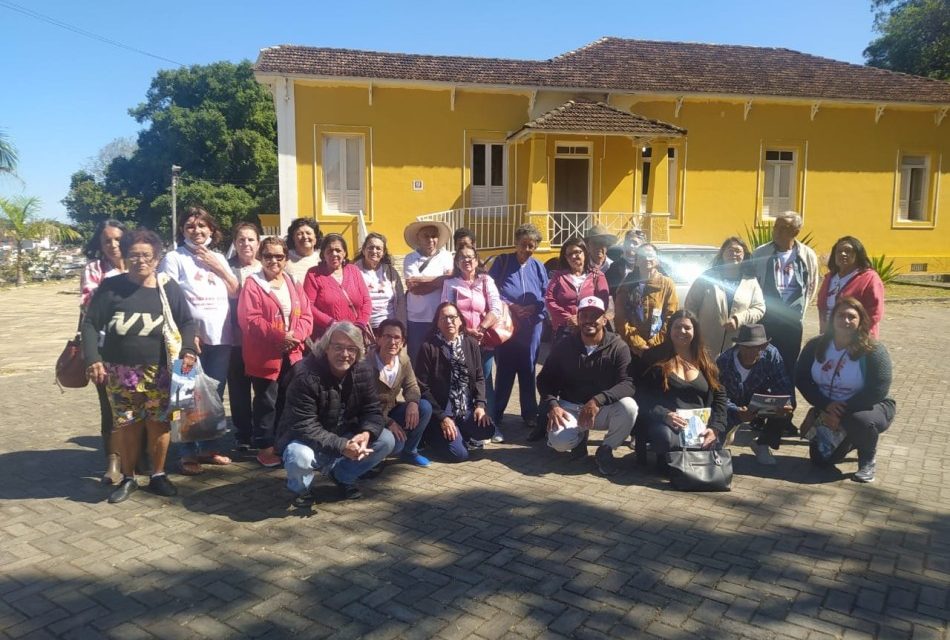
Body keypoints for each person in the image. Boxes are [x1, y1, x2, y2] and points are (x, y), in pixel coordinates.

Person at [82, 228, 197, 503]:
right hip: (120, 371)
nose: (140, 260)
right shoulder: (111, 287)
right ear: (125, 256)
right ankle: (130, 477)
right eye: (134, 255)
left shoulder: (167, 287)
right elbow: (89, 323)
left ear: (157, 258)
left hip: (160, 369)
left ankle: (158, 475)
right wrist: (93, 358)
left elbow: (187, 322)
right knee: (128, 424)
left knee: (159, 424)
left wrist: (189, 349)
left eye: (147, 255)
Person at [277, 322, 396, 506]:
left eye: (351, 349)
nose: (345, 354)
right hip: (304, 438)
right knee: (298, 456)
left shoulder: (363, 370)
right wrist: (342, 446)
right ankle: (302, 490)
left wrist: (366, 433)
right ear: (326, 348)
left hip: (343, 432)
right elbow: (305, 425)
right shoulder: (305, 374)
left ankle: (342, 476)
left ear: (358, 352)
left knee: (387, 440)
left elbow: (372, 410)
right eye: (338, 347)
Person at [159, 206, 237, 475]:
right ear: (182, 231)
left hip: (222, 338)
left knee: (213, 395)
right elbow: (167, 299)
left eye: (202, 226)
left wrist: (219, 267)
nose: (197, 231)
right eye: (190, 226)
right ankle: (186, 453)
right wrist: (187, 338)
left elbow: (235, 291)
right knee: (185, 396)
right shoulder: (173, 258)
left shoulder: (219, 257)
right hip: (188, 342)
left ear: (211, 230)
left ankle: (208, 447)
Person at [795, 297, 896, 483]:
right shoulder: (815, 345)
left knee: (860, 421)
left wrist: (841, 411)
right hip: (829, 406)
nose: (846, 321)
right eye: (841, 316)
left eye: (852, 317)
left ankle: (867, 460)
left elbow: (878, 389)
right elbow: (801, 378)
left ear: (860, 322)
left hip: (868, 407)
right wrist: (824, 406)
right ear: (833, 319)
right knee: (820, 460)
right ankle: (850, 439)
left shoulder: (873, 350)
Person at [536, 296, 638, 476]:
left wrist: (598, 400)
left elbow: (628, 383)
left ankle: (606, 450)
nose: (589, 320)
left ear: (604, 319)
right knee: (560, 443)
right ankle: (579, 440)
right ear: (578, 318)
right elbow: (544, 379)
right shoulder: (565, 345)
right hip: (570, 406)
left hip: (601, 409)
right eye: (584, 315)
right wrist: (553, 405)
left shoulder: (618, 346)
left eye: (595, 315)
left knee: (629, 407)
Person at [237, 236, 313, 468]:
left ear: (286, 258)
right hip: (266, 355)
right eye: (268, 255)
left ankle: (283, 442)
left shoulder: (292, 281)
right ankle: (265, 448)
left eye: (279, 256)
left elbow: (306, 315)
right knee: (266, 403)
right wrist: (281, 336)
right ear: (260, 257)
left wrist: (296, 336)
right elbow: (250, 320)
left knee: (287, 400)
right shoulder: (253, 284)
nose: (274, 260)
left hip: (293, 354)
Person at [637, 310, 727, 471]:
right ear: (669, 330)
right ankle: (668, 460)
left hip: (699, 425)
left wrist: (715, 428)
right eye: (677, 327)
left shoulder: (705, 359)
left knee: (712, 445)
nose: (682, 332)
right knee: (663, 438)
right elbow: (640, 395)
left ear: (695, 331)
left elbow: (720, 396)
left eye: (687, 328)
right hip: (668, 423)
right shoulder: (654, 356)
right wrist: (664, 415)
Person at [413, 302, 495, 461]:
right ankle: (430, 434)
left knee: (487, 429)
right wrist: (442, 417)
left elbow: (479, 377)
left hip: (465, 407)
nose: (449, 321)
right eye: (443, 318)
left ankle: (461, 430)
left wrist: (480, 406)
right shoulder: (429, 347)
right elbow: (422, 387)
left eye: (452, 317)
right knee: (459, 455)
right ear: (437, 323)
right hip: (441, 410)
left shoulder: (470, 343)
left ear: (460, 321)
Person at [80, 219, 127, 484]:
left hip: (138, 349)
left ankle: (137, 456)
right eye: (107, 240)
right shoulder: (94, 269)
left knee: (140, 404)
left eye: (118, 239)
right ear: (100, 244)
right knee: (110, 407)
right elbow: (91, 307)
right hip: (105, 348)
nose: (113, 245)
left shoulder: (138, 264)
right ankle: (113, 460)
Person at [489, 223, 548, 433]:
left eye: (532, 246)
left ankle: (530, 414)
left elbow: (545, 293)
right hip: (507, 324)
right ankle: (496, 412)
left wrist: (534, 307)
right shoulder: (502, 262)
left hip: (531, 327)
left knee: (529, 369)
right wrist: (512, 306)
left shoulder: (539, 266)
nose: (527, 249)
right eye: (523, 244)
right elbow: (492, 290)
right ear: (516, 243)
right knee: (504, 368)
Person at [751, 212, 819, 382]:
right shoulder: (760, 253)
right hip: (766, 318)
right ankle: (762, 404)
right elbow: (752, 282)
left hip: (792, 320)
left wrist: (800, 310)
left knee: (788, 363)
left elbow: (812, 284)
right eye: (776, 227)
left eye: (783, 228)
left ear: (795, 232)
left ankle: (787, 404)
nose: (777, 231)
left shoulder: (806, 255)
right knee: (762, 361)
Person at [441, 245, 501, 433]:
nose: (467, 260)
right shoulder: (451, 284)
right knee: (460, 381)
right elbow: (446, 311)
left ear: (476, 260)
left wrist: (482, 328)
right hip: (461, 341)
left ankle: (489, 425)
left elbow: (496, 308)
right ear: (457, 263)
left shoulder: (486, 280)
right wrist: (466, 332)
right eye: (462, 258)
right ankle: (464, 424)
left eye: (470, 257)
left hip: (484, 341)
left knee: (484, 382)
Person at [716, 324, 794, 465]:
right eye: (747, 347)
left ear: (764, 346)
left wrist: (784, 405)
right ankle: (728, 431)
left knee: (787, 408)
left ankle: (763, 443)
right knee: (714, 449)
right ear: (739, 345)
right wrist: (736, 411)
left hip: (758, 404)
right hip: (732, 406)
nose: (752, 352)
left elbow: (783, 386)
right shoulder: (724, 361)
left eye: (757, 347)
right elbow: (717, 398)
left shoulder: (772, 355)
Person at [684, 236, 766, 356]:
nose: (734, 254)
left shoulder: (750, 281)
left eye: (738, 251)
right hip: (706, 343)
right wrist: (694, 331)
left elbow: (759, 308)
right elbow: (690, 305)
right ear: (722, 254)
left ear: (744, 255)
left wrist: (739, 320)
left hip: (736, 345)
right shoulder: (707, 278)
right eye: (730, 250)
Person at [368, 319, 433, 467]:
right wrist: (388, 422)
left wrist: (412, 403)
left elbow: (412, 385)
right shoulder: (366, 364)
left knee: (424, 407)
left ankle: (410, 452)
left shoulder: (403, 360)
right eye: (387, 336)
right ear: (378, 339)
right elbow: (364, 405)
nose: (392, 341)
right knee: (395, 444)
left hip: (391, 410)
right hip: (369, 416)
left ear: (403, 341)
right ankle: (371, 457)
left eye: (397, 337)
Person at [227, 222, 261, 454]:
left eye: (250, 239)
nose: (246, 244)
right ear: (235, 243)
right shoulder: (225, 268)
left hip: (261, 343)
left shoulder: (267, 267)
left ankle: (262, 431)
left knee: (263, 390)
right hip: (234, 340)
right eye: (241, 240)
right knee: (238, 391)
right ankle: (243, 434)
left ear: (258, 243)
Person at [615, 243, 678, 358]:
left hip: (659, 346)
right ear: (637, 261)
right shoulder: (627, 284)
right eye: (642, 255)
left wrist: (654, 342)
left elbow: (671, 316)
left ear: (657, 260)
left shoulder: (667, 284)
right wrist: (638, 342)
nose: (647, 258)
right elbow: (620, 318)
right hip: (632, 347)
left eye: (650, 255)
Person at [303, 233, 371, 339]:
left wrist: (360, 324)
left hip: (355, 335)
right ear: (323, 254)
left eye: (338, 250)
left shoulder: (354, 270)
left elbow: (366, 300)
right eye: (329, 251)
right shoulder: (314, 274)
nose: (334, 254)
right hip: (326, 337)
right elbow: (308, 306)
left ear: (344, 253)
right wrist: (332, 323)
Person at [403, 221, 454, 361]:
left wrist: (421, 280)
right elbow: (413, 288)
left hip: (440, 318)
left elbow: (449, 280)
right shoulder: (410, 259)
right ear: (418, 237)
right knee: (416, 358)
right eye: (426, 236)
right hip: (417, 318)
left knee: (440, 359)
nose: (431, 239)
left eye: (434, 236)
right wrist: (440, 280)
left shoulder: (447, 256)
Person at [545, 237, 609, 345]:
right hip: (564, 328)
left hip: (590, 328)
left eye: (577, 252)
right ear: (565, 258)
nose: (574, 256)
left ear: (585, 252)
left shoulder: (597, 276)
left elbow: (603, 301)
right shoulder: (558, 277)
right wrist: (568, 318)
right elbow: (549, 300)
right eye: (569, 254)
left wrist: (583, 319)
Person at [816, 236, 884, 338]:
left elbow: (875, 312)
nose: (843, 254)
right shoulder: (829, 278)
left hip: (858, 338)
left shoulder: (870, 278)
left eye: (848, 251)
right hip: (829, 336)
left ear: (858, 255)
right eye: (839, 251)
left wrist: (856, 334)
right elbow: (822, 307)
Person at [353, 232, 407, 330]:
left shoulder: (391, 272)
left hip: (389, 327)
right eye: (371, 247)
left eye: (378, 248)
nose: (374, 251)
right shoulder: (353, 271)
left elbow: (400, 300)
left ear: (383, 253)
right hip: (363, 327)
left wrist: (402, 328)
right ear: (364, 250)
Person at [605, 229, 646, 296]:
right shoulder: (614, 267)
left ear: (642, 247)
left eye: (635, 243)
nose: (630, 246)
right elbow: (608, 291)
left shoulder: (648, 266)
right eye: (628, 242)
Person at [284, 217, 322, 283]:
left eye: (308, 233)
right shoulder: (285, 258)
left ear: (316, 238)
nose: (305, 237)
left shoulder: (322, 258)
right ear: (293, 238)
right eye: (299, 234)